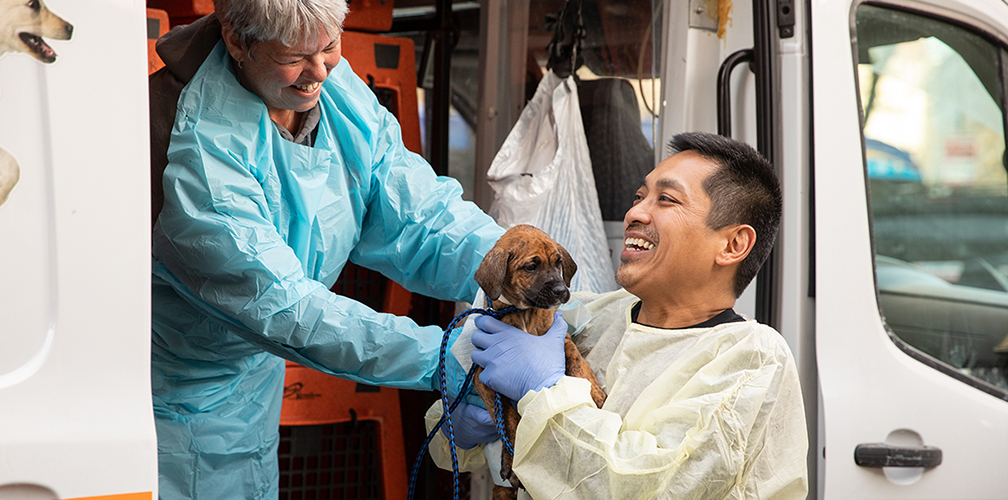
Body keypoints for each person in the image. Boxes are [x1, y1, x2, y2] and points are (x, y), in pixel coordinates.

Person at [147, 1, 503, 499]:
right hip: (179, 409)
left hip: (255, 386)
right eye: (294, 56)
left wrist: (507, 266)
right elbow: (285, 309)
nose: (320, 72)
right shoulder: (193, 146)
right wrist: (449, 356)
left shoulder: (332, 89)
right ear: (235, 41)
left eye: (331, 45)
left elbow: (415, 210)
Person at [436, 132, 808, 499]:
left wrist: (546, 392)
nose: (634, 212)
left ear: (733, 244)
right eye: (639, 196)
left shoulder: (753, 360)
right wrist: (459, 425)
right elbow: (452, 449)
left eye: (666, 198)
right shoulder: (595, 316)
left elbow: (643, 488)